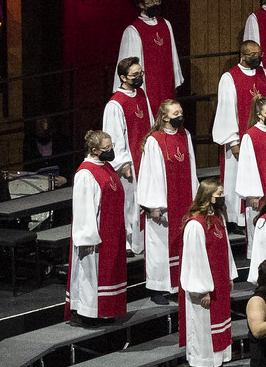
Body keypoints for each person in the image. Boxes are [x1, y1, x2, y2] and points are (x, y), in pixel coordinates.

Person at [135, 99, 197, 296]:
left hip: (184, 199)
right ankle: (158, 288)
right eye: (175, 113)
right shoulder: (155, 140)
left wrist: (196, 198)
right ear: (164, 117)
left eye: (181, 112)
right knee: (160, 247)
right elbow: (150, 174)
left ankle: (179, 285)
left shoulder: (185, 135)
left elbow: (192, 166)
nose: (180, 116)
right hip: (162, 205)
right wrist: (154, 205)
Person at [213, 42, 266, 225]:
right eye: (252, 54)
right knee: (237, 178)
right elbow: (226, 110)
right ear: (242, 55)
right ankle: (236, 219)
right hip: (239, 138)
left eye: (259, 53)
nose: (257, 57)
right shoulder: (229, 78)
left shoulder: (265, 74)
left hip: (263, 137)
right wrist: (233, 141)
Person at [68, 130, 130, 321]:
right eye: (106, 148)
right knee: (90, 274)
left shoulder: (107, 167)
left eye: (111, 146)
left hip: (112, 231)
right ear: (94, 150)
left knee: (110, 272)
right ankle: (87, 313)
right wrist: (87, 238)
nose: (111, 151)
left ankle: (106, 311)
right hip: (95, 234)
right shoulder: (86, 173)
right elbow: (83, 208)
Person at [178, 179, 235, 367]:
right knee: (202, 325)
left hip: (219, 282)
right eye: (219, 194)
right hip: (204, 287)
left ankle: (217, 362)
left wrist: (229, 275)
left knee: (220, 323)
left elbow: (225, 249)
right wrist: (202, 290)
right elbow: (195, 258)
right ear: (208, 196)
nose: (222, 197)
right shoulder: (196, 224)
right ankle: (201, 366)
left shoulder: (218, 218)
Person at [105, 57, 151, 242]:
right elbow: (114, 136)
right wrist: (123, 164)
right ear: (123, 77)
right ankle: (128, 242)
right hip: (129, 161)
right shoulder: (115, 104)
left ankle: (142, 239)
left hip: (144, 156)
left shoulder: (141, 94)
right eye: (135, 74)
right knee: (129, 202)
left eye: (141, 73)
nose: (139, 77)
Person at [116, 0, 185, 105]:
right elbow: (128, 63)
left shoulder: (166, 24)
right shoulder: (133, 30)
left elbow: (173, 54)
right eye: (151, 2)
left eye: (157, 1)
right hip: (148, 84)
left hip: (166, 82)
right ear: (141, 5)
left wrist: (176, 78)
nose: (155, 5)